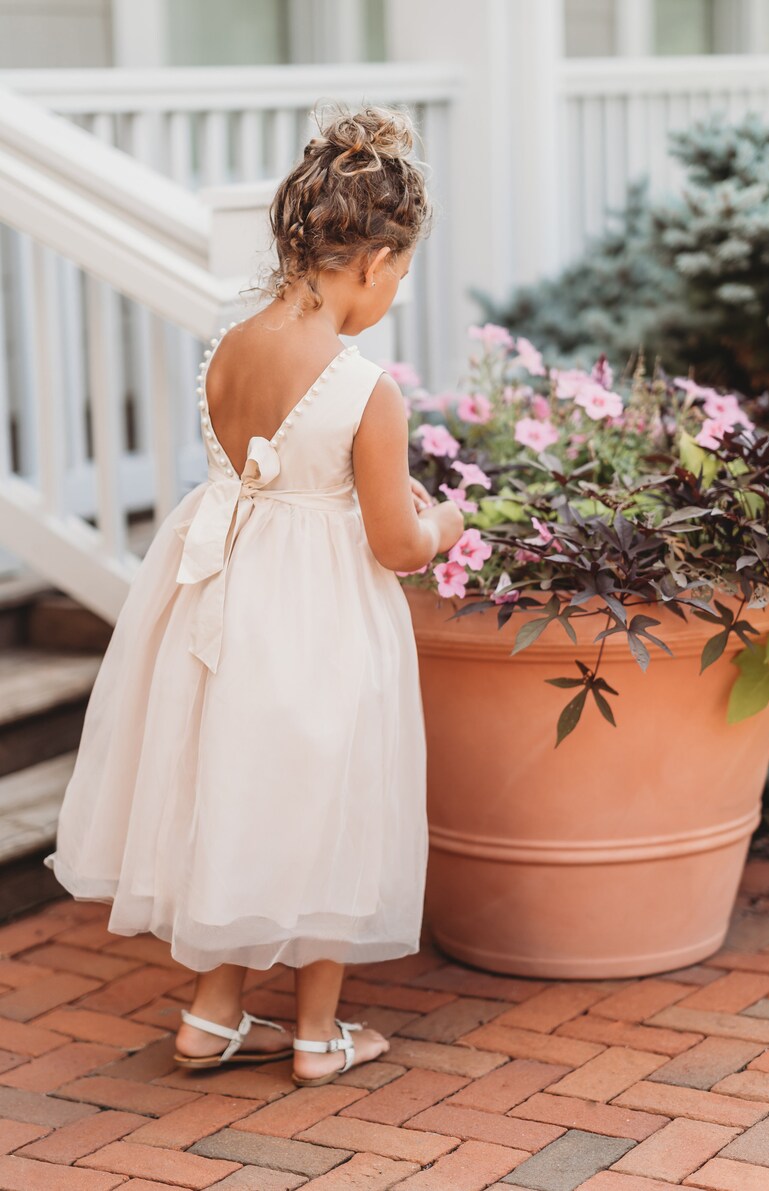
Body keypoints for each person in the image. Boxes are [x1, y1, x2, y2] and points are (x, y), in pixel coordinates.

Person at [43, 101, 464, 1087]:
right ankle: (318, 1035)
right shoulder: (365, 384)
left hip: (222, 602)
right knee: (327, 795)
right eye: (398, 275)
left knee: (236, 793)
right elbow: (397, 542)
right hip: (316, 616)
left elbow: (260, 474)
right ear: (369, 261)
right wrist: (443, 523)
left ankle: (213, 1013)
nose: (394, 293)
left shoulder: (228, 349)